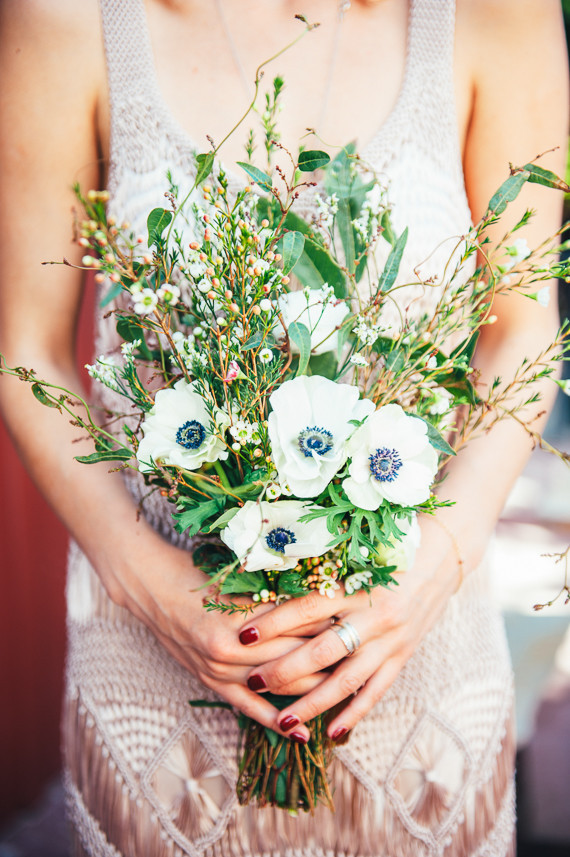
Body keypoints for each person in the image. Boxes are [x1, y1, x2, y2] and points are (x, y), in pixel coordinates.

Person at [0, 0, 567, 854]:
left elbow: (520, 328)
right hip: (160, 688)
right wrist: (149, 584)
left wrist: (423, 579)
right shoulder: (65, 17)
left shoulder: (497, 13)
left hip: (415, 684)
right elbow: (25, 349)